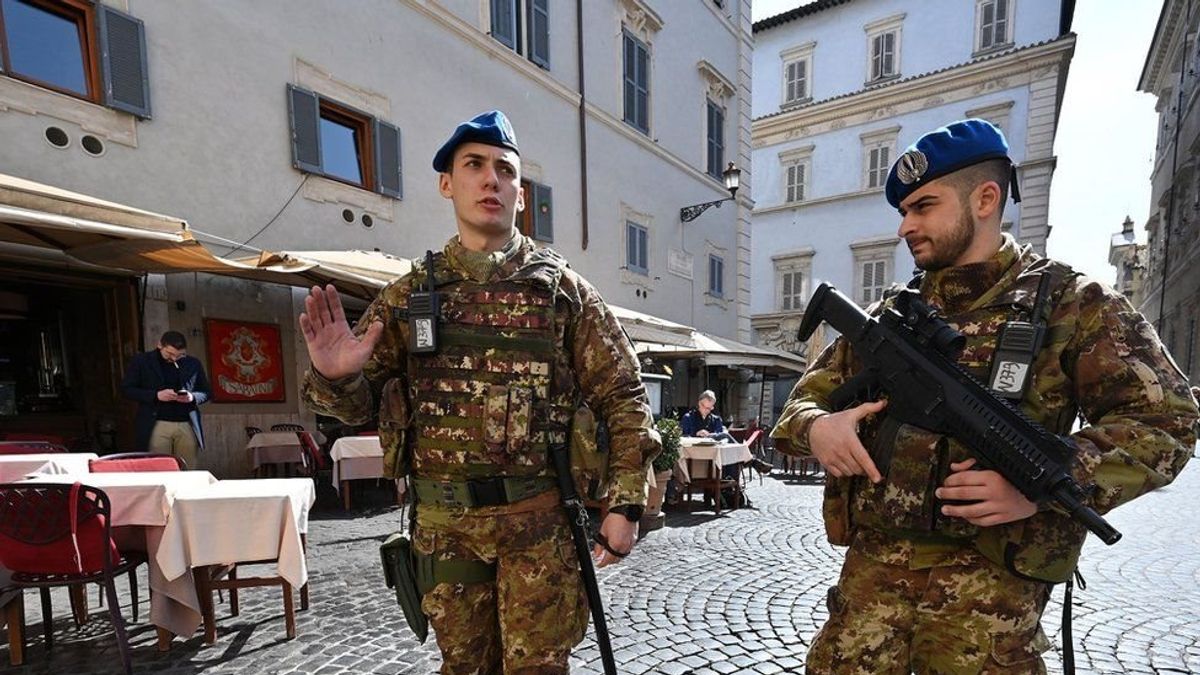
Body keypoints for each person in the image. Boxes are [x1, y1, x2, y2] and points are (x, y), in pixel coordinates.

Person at [773, 119, 1199, 673]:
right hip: (866, 603)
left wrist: (1045, 485)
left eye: (923, 206)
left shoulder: (1075, 305)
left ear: (985, 198)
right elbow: (799, 410)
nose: (906, 226)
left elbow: (1167, 420)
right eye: (902, 211)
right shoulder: (888, 317)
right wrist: (817, 427)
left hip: (985, 617)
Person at [299, 110, 661, 674]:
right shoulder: (411, 295)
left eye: (505, 170)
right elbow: (354, 407)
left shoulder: (564, 292)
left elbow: (624, 396)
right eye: (474, 165)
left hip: (540, 527)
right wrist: (337, 376)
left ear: (520, 194)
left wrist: (626, 504)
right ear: (448, 183)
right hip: (447, 531)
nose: (490, 179)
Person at [120, 330, 211, 468]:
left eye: (179, 355)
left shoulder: (193, 363)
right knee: (159, 469)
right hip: (156, 422)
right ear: (159, 345)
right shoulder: (142, 361)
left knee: (188, 469)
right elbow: (126, 389)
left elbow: (206, 392)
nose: (174, 359)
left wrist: (192, 397)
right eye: (169, 354)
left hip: (187, 423)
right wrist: (156, 395)